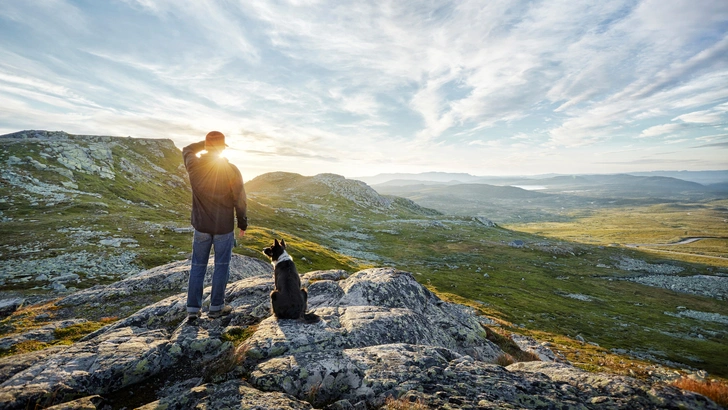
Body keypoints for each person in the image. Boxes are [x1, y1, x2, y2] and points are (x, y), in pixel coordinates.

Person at [183, 131, 247, 321]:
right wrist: (242, 222)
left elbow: (187, 149)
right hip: (224, 228)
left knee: (197, 266)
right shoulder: (231, 169)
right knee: (221, 266)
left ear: (206, 146)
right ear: (221, 148)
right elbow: (240, 199)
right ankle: (216, 307)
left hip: (201, 226)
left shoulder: (193, 165)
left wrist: (207, 144)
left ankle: (193, 309)